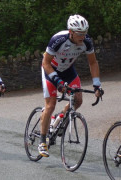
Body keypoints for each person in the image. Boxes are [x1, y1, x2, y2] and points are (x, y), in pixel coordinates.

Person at [38, 14, 103, 157]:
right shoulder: (58, 39)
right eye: (79, 34)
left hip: (68, 71)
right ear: (71, 32)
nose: (82, 37)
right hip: (51, 70)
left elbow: (93, 63)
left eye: (84, 33)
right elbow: (45, 63)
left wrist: (97, 85)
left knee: (78, 100)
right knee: (50, 105)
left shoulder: (87, 42)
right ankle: (42, 141)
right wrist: (57, 81)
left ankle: (59, 119)